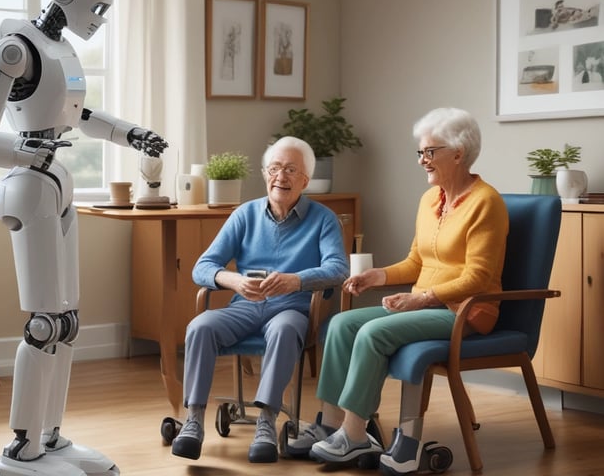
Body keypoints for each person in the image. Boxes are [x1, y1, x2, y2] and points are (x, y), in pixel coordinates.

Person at [0, 0, 167, 476]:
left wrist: (132, 134)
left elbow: (81, 116)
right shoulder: (18, 49)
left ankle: (51, 438)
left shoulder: (63, 50)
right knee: (43, 322)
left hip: (56, 180)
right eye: (95, 6)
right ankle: (23, 447)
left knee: (68, 323)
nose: (99, 17)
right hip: (29, 185)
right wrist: (22, 149)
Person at [292, 107, 508, 473]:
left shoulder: (487, 203)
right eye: (420, 153)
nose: (422, 160)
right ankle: (329, 425)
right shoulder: (430, 200)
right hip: (426, 305)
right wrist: (377, 276)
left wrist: (421, 298)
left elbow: (478, 277)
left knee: (374, 332)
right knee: (343, 325)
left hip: (463, 311)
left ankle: (354, 434)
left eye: (429, 152)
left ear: (458, 153)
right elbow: (415, 262)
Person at [170, 136, 349, 463]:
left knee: (282, 331)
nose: (281, 176)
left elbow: (338, 269)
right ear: (266, 174)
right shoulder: (244, 214)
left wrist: (296, 280)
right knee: (200, 327)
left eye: (291, 170)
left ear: (305, 180)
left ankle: (266, 422)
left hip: (293, 308)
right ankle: (193, 420)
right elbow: (203, 267)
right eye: (275, 168)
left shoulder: (324, 218)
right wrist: (234, 280)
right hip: (245, 305)